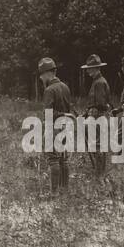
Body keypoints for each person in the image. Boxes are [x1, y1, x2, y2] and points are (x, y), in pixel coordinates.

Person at [38, 57, 73, 195]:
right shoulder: (65, 87)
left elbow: (48, 114)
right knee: (63, 159)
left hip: (54, 127)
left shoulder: (49, 90)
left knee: (53, 160)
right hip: (66, 126)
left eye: (41, 75)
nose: (41, 79)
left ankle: (54, 193)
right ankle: (64, 190)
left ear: (47, 73)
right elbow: (68, 109)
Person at [79, 54, 111, 175]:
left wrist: (90, 114)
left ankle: (99, 174)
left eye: (90, 68)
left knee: (98, 145)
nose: (87, 71)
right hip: (97, 116)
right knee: (99, 145)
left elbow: (101, 104)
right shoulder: (98, 81)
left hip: (98, 117)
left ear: (96, 68)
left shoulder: (99, 83)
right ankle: (100, 172)